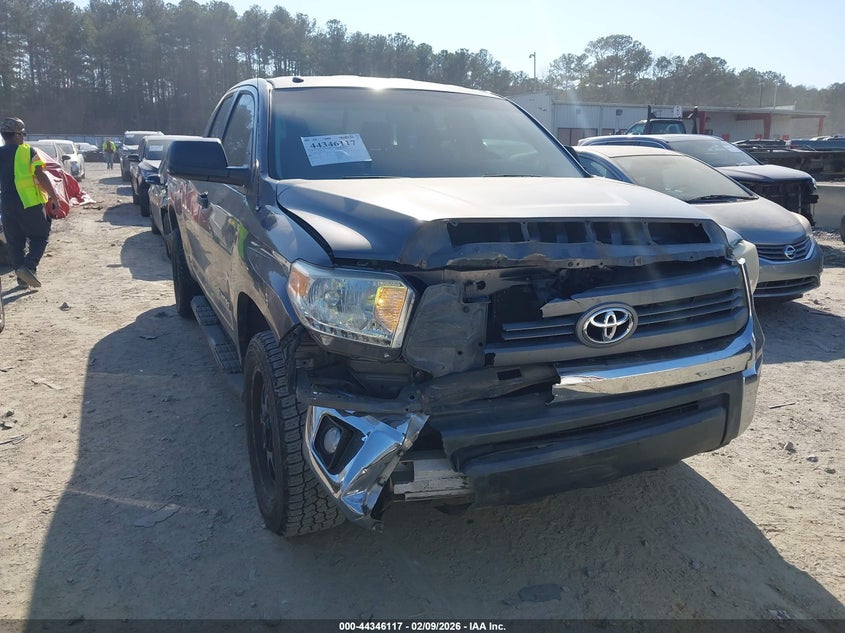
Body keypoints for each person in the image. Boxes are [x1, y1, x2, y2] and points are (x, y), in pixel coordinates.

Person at [0, 116, 60, 289]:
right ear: (17, 134)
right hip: (29, 203)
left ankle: (22, 279)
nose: (23, 138)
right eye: (22, 134)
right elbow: (41, 175)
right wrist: (54, 197)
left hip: (6, 203)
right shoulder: (28, 152)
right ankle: (29, 267)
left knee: (15, 242)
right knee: (40, 236)